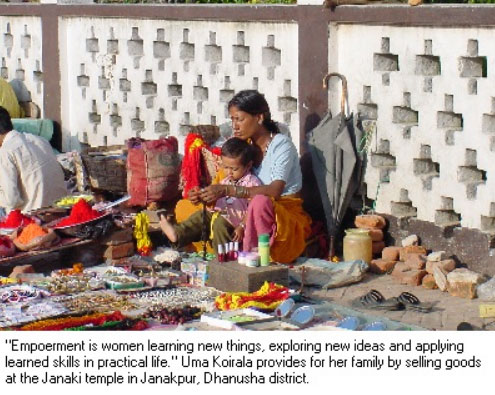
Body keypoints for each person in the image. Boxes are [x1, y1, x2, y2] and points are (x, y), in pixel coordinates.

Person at [197, 90, 312, 263]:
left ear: (259, 118)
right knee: (186, 207)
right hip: (241, 209)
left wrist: (228, 190)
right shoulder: (244, 147)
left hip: (280, 216)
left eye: (240, 119)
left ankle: (255, 255)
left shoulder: (281, 146)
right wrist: (204, 194)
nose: (234, 126)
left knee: (260, 202)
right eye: (233, 120)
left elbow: (274, 192)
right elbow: (223, 179)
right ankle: (226, 256)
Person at [161, 137, 261, 251]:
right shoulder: (224, 180)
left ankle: (223, 260)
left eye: (234, 169)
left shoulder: (252, 182)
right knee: (200, 216)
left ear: (248, 166)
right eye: (226, 167)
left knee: (220, 224)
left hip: (233, 223)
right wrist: (200, 195)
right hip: (216, 215)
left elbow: (254, 209)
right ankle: (177, 234)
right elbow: (213, 199)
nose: (229, 172)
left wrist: (242, 226)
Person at [0, 106, 66, 213]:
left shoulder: (6, 151)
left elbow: (12, 201)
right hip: (60, 208)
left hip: (34, 215)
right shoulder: (39, 140)